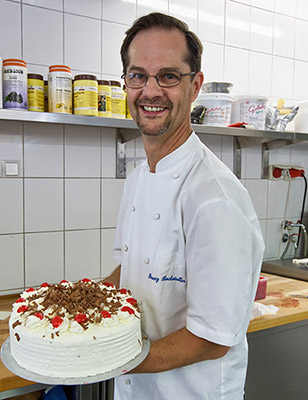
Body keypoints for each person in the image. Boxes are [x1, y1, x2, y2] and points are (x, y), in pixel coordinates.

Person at [103, 12, 265, 399]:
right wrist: (81, 304)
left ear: (195, 87)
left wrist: (106, 357)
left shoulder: (213, 197)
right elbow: (133, 269)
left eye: (169, 76)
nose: (151, 91)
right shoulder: (141, 176)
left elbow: (213, 340)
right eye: (138, 75)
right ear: (126, 83)